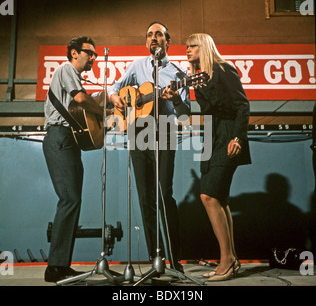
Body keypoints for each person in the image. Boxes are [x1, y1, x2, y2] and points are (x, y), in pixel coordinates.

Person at [108, 21, 190, 272]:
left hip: (165, 131)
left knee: (164, 194)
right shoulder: (136, 66)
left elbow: (185, 114)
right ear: (146, 42)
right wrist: (116, 99)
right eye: (149, 35)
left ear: (168, 41)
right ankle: (158, 259)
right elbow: (114, 88)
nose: (153, 38)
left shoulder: (179, 74)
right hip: (137, 133)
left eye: (159, 34)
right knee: (145, 198)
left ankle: (176, 261)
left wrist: (175, 98)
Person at [186, 33, 251, 281]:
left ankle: (226, 260)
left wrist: (238, 138)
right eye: (187, 47)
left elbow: (242, 105)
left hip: (227, 135)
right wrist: (196, 85)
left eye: (192, 46)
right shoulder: (199, 77)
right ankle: (231, 259)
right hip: (210, 136)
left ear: (204, 47)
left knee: (208, 196)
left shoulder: (224, 69)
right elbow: (208, 110)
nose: (188, 50)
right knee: (220, 199)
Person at [43, 36, 103, 282]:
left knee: (73, 200)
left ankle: (61, 265)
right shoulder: (67, 69)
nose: (93, 57)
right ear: (74, 53)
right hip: (60, 138)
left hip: (70, 140)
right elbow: (80, 99)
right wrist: (102, 111)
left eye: (95, 54)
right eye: (89, 53)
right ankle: (55, 267)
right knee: (69, 199)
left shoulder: (73, 75)